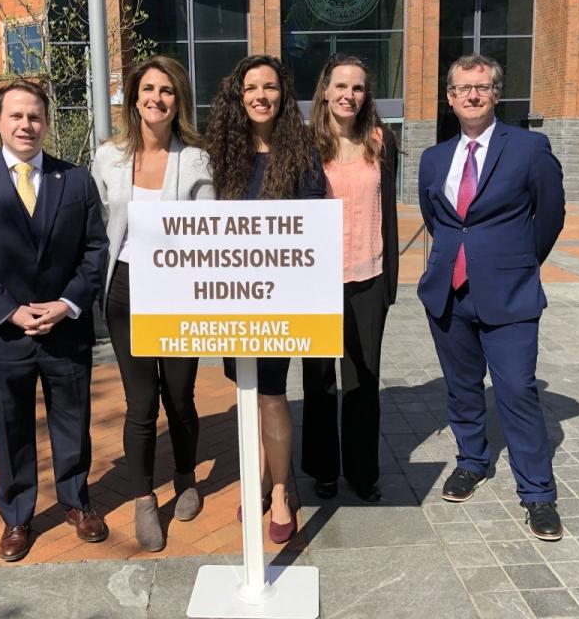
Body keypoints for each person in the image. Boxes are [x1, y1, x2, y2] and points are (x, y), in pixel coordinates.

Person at [0, 80, 108, 562]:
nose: (26, 125)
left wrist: (68, 304)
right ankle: (17, 516)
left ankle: (77, 501)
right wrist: (9, 310)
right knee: (9, 427)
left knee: (73, 422)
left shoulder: (75, 180)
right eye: (15, 115)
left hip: (65, 328)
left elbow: (95, 249)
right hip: (1, 333)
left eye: (35, 116)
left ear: (46, 121)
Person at [417, 54, 566, 541]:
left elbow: (550, 216)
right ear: (450, 97)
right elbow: (439, 219)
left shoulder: (528, 148)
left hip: (510, 295)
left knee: (517, 391)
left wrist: (517, 263)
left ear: (496, 93)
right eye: (462, 89)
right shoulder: (435, 158)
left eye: (482, 87)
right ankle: (472, 461)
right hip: (449, 294)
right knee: (461, 389)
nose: (472, 95)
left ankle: (538, 494)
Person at [91, 56, 213, 552]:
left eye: (166, 90)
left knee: (179, 397)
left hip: (180, 291)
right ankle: (144, 498)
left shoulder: (198, 158)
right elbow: (98, 227)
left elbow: (210, 230)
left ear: (177, 99)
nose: (156, 98)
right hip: (126, 290)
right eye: (148, 89)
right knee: (140, 403)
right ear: (134, 97)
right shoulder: (108, 157)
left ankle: (186, 477)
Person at [204, 54, 326, 544]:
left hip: (281, 298)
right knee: (245, 392)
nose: (261, 95)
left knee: (272, 394)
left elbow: (313, 226)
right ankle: (259, 475)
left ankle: (279, 489)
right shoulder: (220, 153)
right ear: (238, 96)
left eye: (270, 87)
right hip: (232, 297)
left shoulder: (301, 152)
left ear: (283, 94)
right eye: (251, 87)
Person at [300, 55, 398, 504]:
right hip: (316, 281)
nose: (348, 95)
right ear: (325, 90)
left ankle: (362, 472)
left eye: (357, 88)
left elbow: (390, 214)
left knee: (363, 380)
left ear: (366, 95)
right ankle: (322, 470)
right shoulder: (304, 145)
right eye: (340, 86)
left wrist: (391, 282)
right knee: (319, 382)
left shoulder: (381, 140)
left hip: (368, 277)